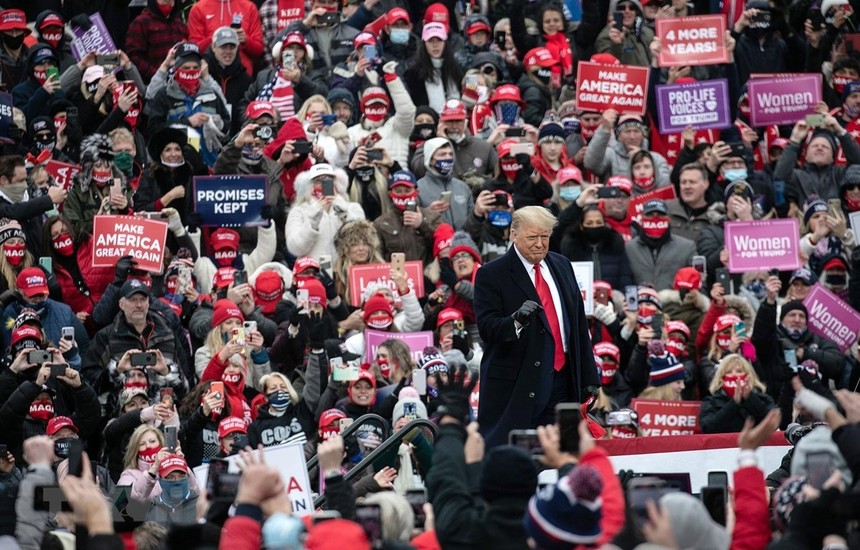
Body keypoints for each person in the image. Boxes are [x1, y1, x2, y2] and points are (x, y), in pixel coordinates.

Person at [473, 205, 599, 448]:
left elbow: (578, 324)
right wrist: (516, 321)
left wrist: (588, 376)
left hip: (563, 382)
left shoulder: (562, 265)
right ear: (514, 234)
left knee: (562, 455)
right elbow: (487, 329)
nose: (540, 244)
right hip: (517, 387)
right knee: (518, 462)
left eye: (545, 237)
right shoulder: (492, 274)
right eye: (532, 237)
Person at [699, 354, 775, 433]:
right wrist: (734, 403)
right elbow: (708, 428)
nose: (734, 375)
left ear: (748, 375)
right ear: (721, 377)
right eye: (729, 372)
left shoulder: (763, 399)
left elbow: (773, 423)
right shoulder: (711, 402)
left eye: (739, 371)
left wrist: (750, 398)